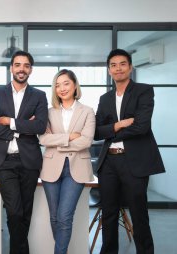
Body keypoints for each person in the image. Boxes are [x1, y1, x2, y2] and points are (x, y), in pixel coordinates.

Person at [95, 49, 165, 254]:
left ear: (130, 67)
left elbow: (141, 126)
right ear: (109, 70)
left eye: (122, 64)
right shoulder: (105, 98)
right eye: (114, 65)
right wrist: (118, 126)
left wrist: (111, 132)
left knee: (139, 213)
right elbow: (97, 132)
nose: (118, 68)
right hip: (109, 163)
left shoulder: (143, 91)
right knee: (108, 213)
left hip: (135, 162)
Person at [0, 51, 48, 254]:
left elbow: (39, 126)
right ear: (11, 68)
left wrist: (10, 122)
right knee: (14, 211)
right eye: (18, 64)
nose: (22, 69)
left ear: (30, 69)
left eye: (26, 65)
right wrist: (22, 126)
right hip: (4, 161)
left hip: (29, 160)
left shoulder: (39, 95)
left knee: (25, 212)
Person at [39, 69, 95, 254]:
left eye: (66, 83)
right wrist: (70, 137)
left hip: (76, 169)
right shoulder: (48, 112)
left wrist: (59, 142)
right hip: (51, 168)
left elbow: (86, 141)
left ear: (75, 85)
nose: (61, 88)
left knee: (64, 217)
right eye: (57, 85)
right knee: (54, 217)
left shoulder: (87, 111)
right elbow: (43, 139)